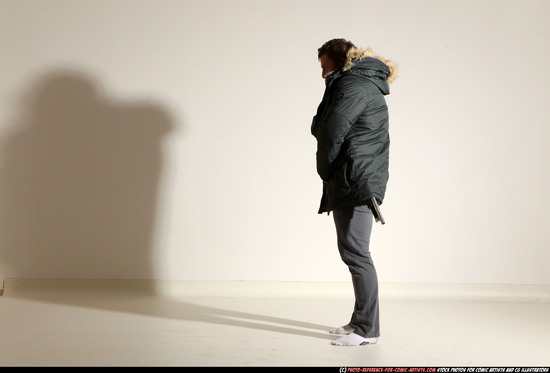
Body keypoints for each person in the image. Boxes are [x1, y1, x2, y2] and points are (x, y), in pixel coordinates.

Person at [311, 39, 397, 346]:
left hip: (356, 179)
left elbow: (330, 130)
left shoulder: (354, 85)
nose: (322, 73)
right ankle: (359, 320)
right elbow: (321, 125)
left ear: (337, 61)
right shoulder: (349, 83)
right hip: (352, 177)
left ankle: (367, 330)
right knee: (352, 251)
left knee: (358, 253)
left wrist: (325, 170)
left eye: (325, 66)